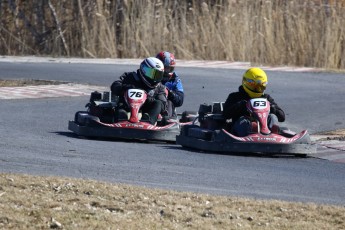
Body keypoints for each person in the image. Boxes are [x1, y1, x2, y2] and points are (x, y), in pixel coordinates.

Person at [222, 67, 285, 137]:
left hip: (265, 129)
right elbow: (225, 115)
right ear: (245, 82)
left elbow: (282, 117)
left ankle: (273, 133)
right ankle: (253, 130)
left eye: (260, 86)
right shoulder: (235, 96)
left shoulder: (266, 98)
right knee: (244, 120)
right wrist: (240, 105)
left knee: (272, 117)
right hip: (241, 130)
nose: (257, 89)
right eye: (254, 85)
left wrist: (273, 109)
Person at [110, 57, 167, 125]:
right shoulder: (130, 76)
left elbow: (163, 103)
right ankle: (121, 117)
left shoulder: (160, 87)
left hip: (146, 110)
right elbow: (115, 85)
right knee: (121, 103)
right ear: (144, 70)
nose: (154, 78)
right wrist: (125, 88)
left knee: (158, 103)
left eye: (157, 75)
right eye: (151, 73)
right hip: (127, 105)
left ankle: (148, 122)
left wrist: (148, 98)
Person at [156, 51, 184, 118]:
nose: (167, 71)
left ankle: (167, 119)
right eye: (165, 68)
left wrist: (169, 93)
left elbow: (180, 100)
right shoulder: (152, 76)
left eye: (169, 68)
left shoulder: (175, 80)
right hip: (151, 102)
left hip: (166, 107)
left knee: (169, 102)